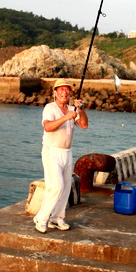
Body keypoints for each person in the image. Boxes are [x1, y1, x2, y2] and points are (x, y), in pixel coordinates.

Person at [33, 78, 88, 233]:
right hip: (52, 152)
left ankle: (57, 218)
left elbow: (84, 125)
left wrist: (80, 109)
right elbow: (48, 127)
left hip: (67, 153)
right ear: (55, 92)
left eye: (67, 89)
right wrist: (66, 117)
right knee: (56, 187)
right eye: (61, 89)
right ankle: (41, 218)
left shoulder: (72, 109)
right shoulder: (49, 108)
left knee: (65, 189)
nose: (65, 92)